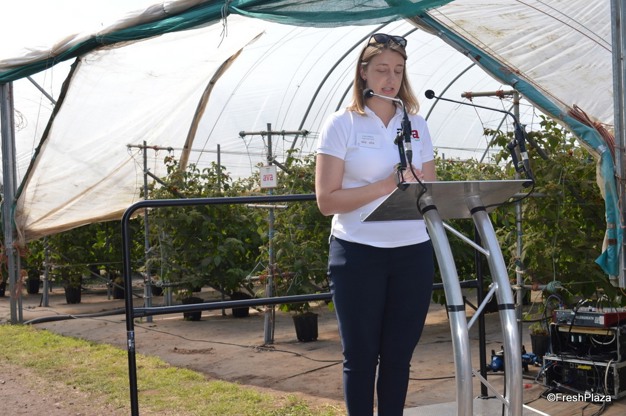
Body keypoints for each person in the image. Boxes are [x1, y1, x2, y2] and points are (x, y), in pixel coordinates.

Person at [315, 33, 436, 416]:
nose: (390, 78)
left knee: (399, 358)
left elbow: (429, 192)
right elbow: (326, 201)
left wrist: (416, 185)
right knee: (361, 357)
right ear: (363, 72)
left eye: (398, 71)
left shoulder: (417, 124)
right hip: (357, 253)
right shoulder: (342, 124)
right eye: (382, 69)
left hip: (412, 253)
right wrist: (386, 185)